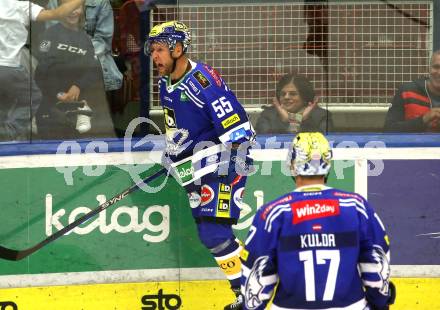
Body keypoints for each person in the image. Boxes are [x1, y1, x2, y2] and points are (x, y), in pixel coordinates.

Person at [146, 21, 255, 310]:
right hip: (198, 169)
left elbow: (241, 133)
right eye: (152, 50)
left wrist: (206, 157)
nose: (154, 56)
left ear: (177, 49)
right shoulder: (165, 83)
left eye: (160, 50)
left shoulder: (202, 82)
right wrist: (175, 156)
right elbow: (176, 132)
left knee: (214, 232)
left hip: (227, 165)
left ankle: (253, 295)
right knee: (213, 236)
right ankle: (251, 292)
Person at [240, 132, 396, 310]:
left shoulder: (272, 213)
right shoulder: (356, 206)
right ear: (328, 163)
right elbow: (377, 262)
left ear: (292, 164)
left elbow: (257, 274)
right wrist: (380, 303)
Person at [0, 0, 84, 141]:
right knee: (34, 95)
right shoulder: (23, 8)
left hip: (18, 70)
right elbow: (55, 15)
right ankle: (8, 133)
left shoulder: (81, 37)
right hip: (12, 67)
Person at [34, 0, 116, 139]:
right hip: (51, 103)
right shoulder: (49, 34)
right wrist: (58, 94)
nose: (73, 12)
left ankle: (81, 110)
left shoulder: (85, 40)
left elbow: (92, 69)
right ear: (60, 10)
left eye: (77, 8)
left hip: (78, 101)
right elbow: (42, 70)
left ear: (83, 10)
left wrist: (77, 86)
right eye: (69, 8)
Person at [46, 0, 123, 93]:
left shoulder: (101, 2)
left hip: (94, 56)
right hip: (62, 55)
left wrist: (80, 52)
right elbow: (54, 37)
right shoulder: (54, 2)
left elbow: (103, 42)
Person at [256, 74, 333, 135]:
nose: (286, 97)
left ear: (304, 97)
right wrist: (285, 122)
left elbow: (324, 142)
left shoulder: (322, 116)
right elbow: (264, 142)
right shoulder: (267, 116)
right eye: (283, 94)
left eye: (293, 94)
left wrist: (305, 120)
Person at [384, 50, 440, 132]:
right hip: (414, 144)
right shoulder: (407, 92)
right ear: (428, 69)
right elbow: (388, 130)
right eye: (436, 67)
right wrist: (423, 120)